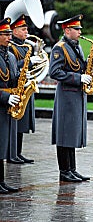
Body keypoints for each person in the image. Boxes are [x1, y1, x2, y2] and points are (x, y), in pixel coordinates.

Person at [49, 14, 91, 182]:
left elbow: (77, 66)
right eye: (77, 29)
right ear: (67, 30)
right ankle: (64, 171)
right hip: (66, 95)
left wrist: (88, 64)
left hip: (76, 95)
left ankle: (72, 169)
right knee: (64, 133)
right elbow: (55, 72)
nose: (80, 32)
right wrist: (77, 78)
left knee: (71, 133)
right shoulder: (59, 48)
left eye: (80, 29)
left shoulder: (76, 46)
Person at [8, 15, 41, 164]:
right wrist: (27, 63)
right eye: (23, 29)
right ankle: (11, 153)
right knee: (15, 121)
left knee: (22, 122)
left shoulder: (26, 45)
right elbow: (12, 66)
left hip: (25, 85)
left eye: (26, 28)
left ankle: (18, 152)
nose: (26, 31)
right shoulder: (11, 47)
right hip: (15, 88)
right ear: (14, 31)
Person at [0, 17, 21, 193]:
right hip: (2, 102)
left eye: (9, 33)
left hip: (7, 105)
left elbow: (13, 79)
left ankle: (1, 181)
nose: (9, 37)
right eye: (5, 34)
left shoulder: (11, 55)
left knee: (3, 145)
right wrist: (4, 97)